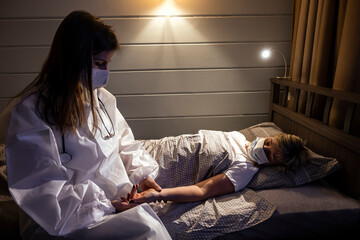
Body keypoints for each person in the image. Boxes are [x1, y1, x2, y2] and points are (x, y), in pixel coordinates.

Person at [2, 10, 170, 239]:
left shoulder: (101, 99)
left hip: (112, 203)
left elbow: (123, 141)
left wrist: (140, 174)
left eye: (107, 64)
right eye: (99, 63)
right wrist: (104, 205)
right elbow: (43, 191)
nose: (105, 74)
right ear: (73, 58)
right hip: (66, 219)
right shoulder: (31, 113)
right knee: (146, 230)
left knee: (149, 226)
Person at [130, 132, 310, 204]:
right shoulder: (238, 136)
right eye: (269, 143)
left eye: (270, 154)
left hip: (157, 169)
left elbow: (202, 191)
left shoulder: (245, 169)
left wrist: (158, 195)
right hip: (150, 148)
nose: (264, 148)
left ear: (273, 165)